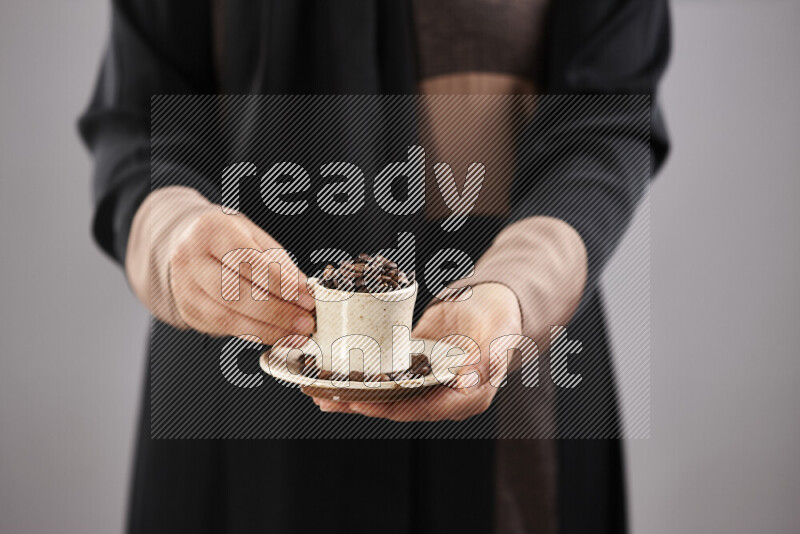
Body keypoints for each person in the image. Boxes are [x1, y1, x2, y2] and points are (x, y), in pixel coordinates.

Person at [79, 1, 670, 532]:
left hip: (507, 388)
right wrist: (172, 233)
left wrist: (514, 289)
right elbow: (141, 112)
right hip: (234, 406)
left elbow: (606, 117)